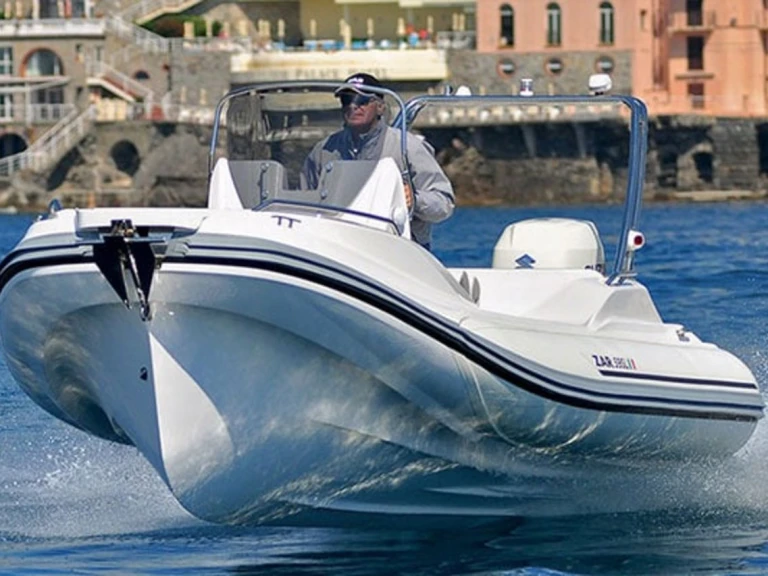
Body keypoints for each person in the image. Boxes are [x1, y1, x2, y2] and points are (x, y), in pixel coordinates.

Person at [302, 73, 455, 250]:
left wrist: (414, 200)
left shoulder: (408, 146)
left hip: (402, 249)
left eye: (362, 101)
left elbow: (444, 203)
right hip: (338, 246)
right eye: (346, 100)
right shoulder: (323, 150)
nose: (353, 106)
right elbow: (304, 200)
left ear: (380, 107)